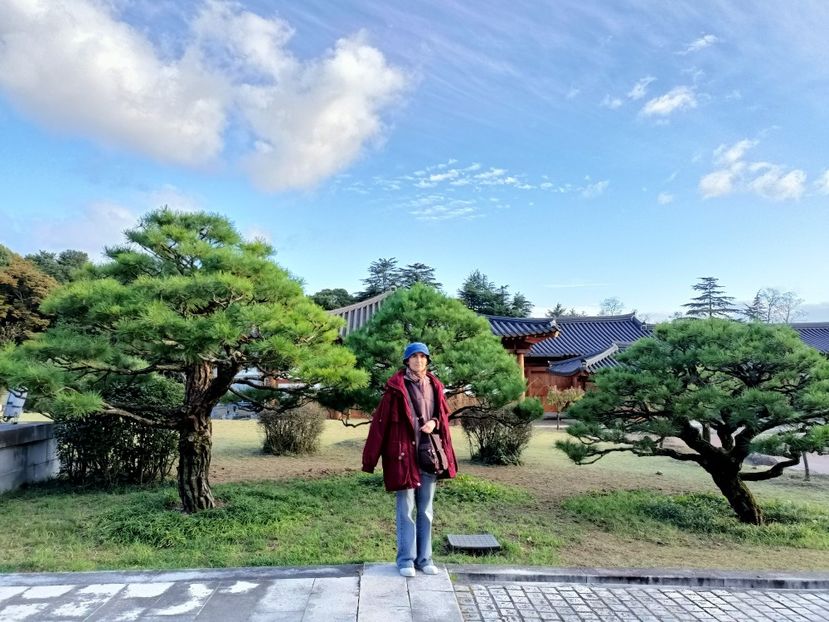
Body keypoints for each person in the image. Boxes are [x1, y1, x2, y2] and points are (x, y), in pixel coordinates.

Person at [362, 342, 458, 577]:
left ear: (427, 360)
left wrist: (433, 422)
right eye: (414, 356)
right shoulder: (395, 389)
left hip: (428, 455)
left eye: (423, 356)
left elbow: (442, 418)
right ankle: (405, 560)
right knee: (406, 509)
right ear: (406, 361)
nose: (419, 360)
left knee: (426, 509)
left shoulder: (435, 386)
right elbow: (379, 426)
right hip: (402, 456)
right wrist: (370, 460)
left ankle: (425, 559)